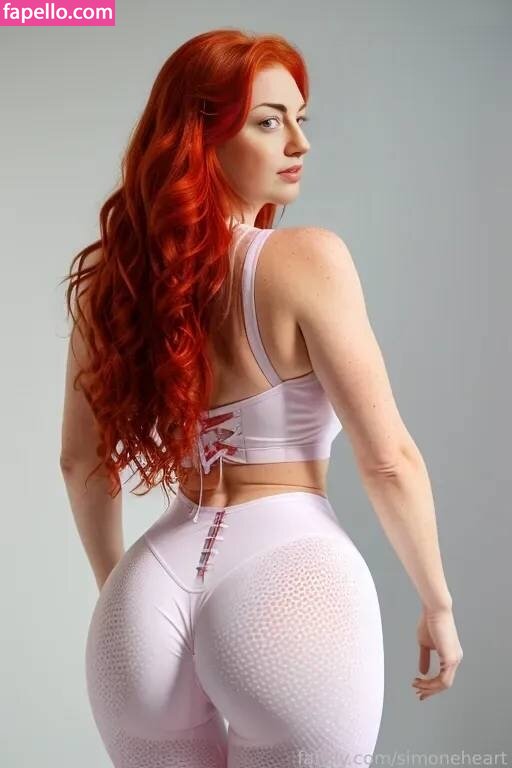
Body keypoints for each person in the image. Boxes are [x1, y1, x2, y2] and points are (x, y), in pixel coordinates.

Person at [59, 28, 463, 768]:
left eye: (300, 119)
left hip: (146, 593)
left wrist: (120, 598)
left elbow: (79, 463)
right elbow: (389, 460)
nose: (299, 142)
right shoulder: (307, 259)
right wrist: (437, 601)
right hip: (288, 580)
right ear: (200, 137)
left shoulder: (110, 288)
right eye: (269, 121)